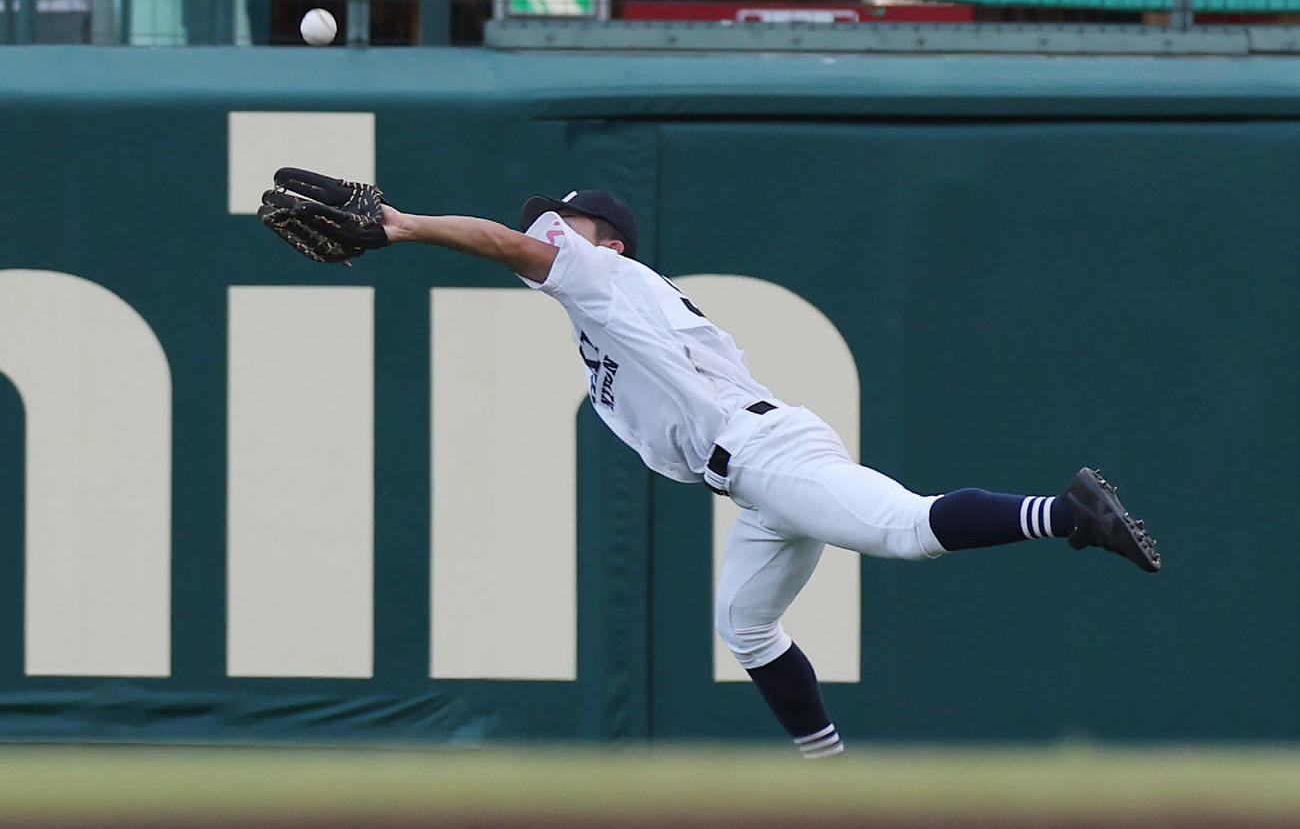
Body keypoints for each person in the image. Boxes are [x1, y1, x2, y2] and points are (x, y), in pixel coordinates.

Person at [377, 188, 1161, 760]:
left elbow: (503, 245)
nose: (546, 231)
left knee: (907, 531)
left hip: (764, 453)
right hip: (753, 477)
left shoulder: (603, 277)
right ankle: (827, 774)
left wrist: (402, 225)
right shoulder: (603, 306)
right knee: (746, 625)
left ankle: (1067, 514)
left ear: (608, 243)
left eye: (568, 222)